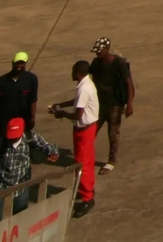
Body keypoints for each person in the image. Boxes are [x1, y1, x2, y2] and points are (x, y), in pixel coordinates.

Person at [0, 116, 58, 225]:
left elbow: (46, 145)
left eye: (15, 136)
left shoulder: (30, 137)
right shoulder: (0, 143)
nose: (12, 139)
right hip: (0, 185)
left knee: (20, 218)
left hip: (21, 185)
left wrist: (53, 152)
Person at [48, 61, 99, 218]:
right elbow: (77, 102)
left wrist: (61, 114)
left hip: (83, 131)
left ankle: (87, 198)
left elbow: (78, 115)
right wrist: (61, 105)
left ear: (77, 73)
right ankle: (87, 189)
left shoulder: (84, 88)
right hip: (89, 129)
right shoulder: (87, 84)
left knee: (81, 164)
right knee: (88, 161)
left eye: (72, 70)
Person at [88, 37, 135, 174]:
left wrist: (129, 104)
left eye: (100, 51)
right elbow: (90, 79)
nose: (97, 53)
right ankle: (86, 157)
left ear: (107, 49)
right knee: (91, 131)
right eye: (96, 51)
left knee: (113, 133)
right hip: (99, 103)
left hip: (115, 104)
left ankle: (111, 160)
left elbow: (129, 83)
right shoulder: (96, 63)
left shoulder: (118, 63)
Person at [0, 52, 38, 138]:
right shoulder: (1, 81)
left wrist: (32, 117)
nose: (19, 65)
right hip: (4, 121)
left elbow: (33, 100)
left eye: (21, 63)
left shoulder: (31, 79)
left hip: (23, 119)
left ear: (25, 63)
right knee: (1, 142)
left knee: (22, 142)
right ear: (12, 62)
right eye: (17, 63)